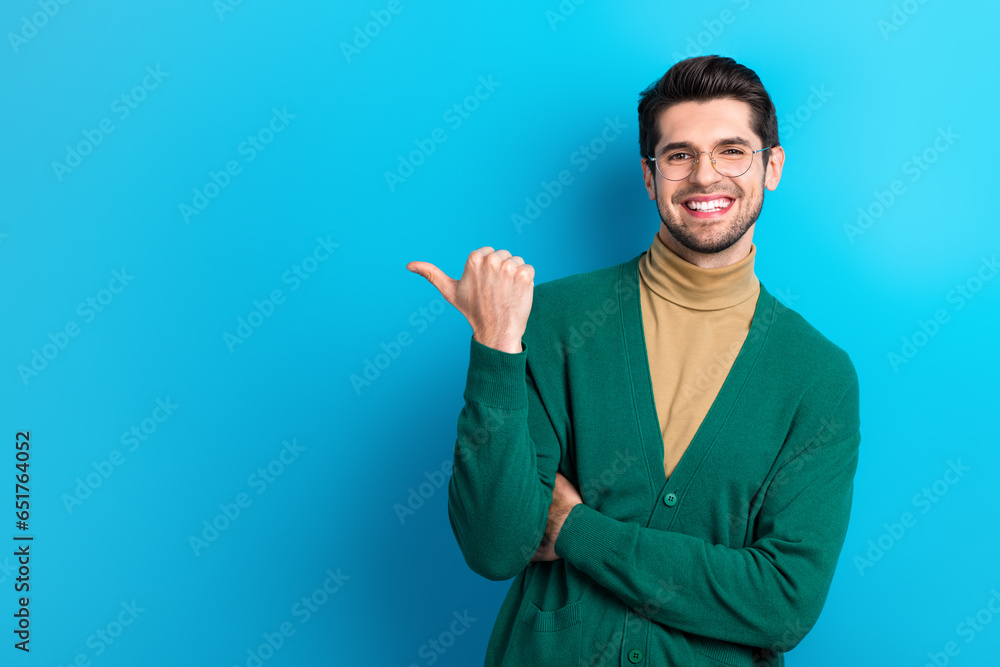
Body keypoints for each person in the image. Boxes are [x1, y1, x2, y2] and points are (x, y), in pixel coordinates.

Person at [406, 55, 860, 667]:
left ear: (771, 166)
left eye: (732, 151)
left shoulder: (817, 376)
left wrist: (575, 529)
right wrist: (495, 347)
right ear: (650, 177)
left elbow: (782, 602)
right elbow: (494, 545)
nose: (705, 176)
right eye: (679, 155)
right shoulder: (553, 319)